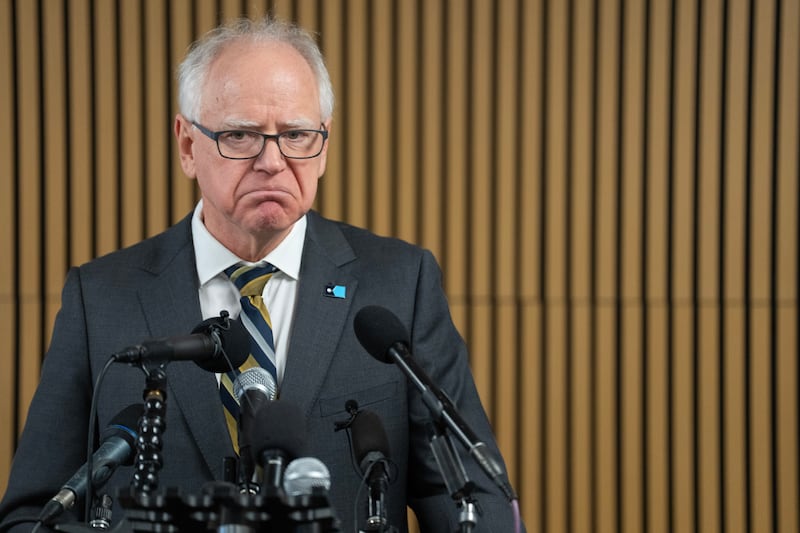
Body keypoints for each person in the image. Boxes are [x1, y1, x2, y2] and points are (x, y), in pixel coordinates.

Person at [0, 17, 522, 533]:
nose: (273, 161)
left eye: (296, 135)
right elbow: (33, 512)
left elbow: (470, 498)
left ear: (324, 142)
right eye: (241, 136)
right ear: (187, 145)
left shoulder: (399, 286)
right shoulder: (102, 298)